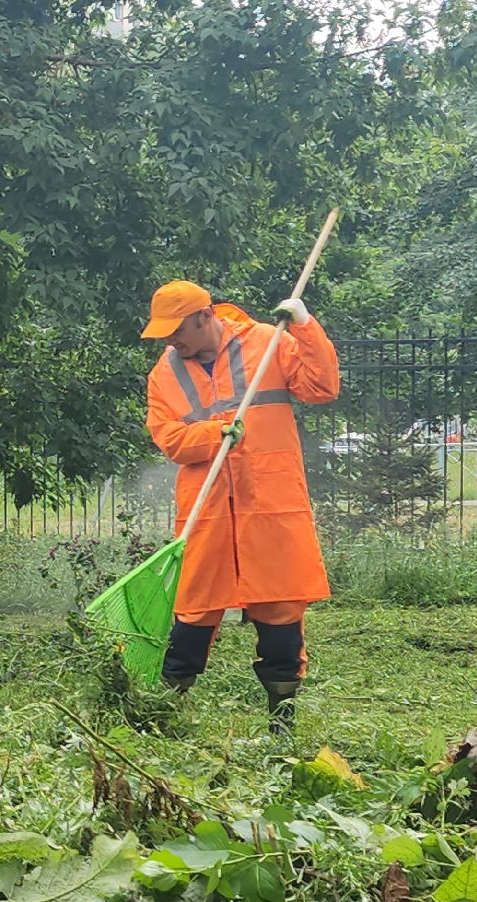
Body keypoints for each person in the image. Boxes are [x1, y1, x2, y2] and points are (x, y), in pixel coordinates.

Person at [141, 281, 339, 730]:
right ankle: (163, 715)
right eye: (165, 333)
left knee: (280, 612)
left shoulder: (269, 342)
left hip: (271, 505)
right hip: (207, 510)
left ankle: (282, 721)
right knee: (193, 612)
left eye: (177, 330)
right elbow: (170, 438)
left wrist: (306, 327)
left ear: (204, 315)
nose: (171, 341)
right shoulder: (164, 373)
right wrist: (214, 434)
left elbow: (321, 386)